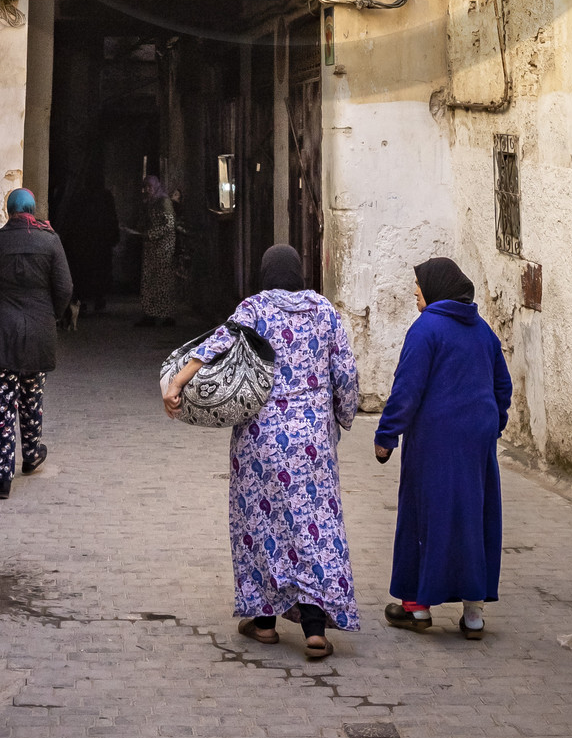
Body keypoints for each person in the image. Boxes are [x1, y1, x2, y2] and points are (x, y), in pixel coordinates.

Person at [163, 243, 359, 658]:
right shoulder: (325, 312)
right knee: (313, 526)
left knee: (261, 525)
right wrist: (342, 415)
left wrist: (177, 384)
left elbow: (216, 345)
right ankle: (313, 627)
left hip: (260, 441)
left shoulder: (254, 309)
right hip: (313, 445)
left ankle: (265, 623)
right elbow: (345, 374)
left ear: (266, 274)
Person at [374, 256, 513, 638]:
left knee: (426, 516)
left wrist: (386, 437)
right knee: (474, 515)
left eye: (418, 284)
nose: (414, 290)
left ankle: (417, 608)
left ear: (435, 287)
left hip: (434, 442)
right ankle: (473, 615)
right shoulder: (482, 330)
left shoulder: (426, 329)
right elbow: (503, 385)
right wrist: (491, 424)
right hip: (476, 443)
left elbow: (407, 388)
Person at [0, 184, 73, 496]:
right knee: (32, 397)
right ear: (31, 210)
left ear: (8, 211)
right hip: (38, 332)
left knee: (2, 405)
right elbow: (65, 287)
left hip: (1, 332)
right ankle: (30, 455)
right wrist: (50, 317)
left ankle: (3, 478)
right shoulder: (50, 241)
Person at [58, 168, 120, 313]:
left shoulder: (83, 197)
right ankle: (94, 299)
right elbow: (111, 218)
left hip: (88, 242)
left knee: (88, 272)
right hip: (95, 242)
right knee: (93, 272)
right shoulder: (100, 197)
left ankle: (88, 300)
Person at [133, 171, 178, 325]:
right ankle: (150, 313)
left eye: (149, 187)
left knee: (162, 281)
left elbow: (169, 224)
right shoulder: (149, 203)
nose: (146, 190)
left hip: (163, 248)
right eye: (144, 187)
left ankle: (165, 314)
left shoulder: (164, 202)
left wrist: (151, 234)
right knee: (149, 281)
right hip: (151, 247)